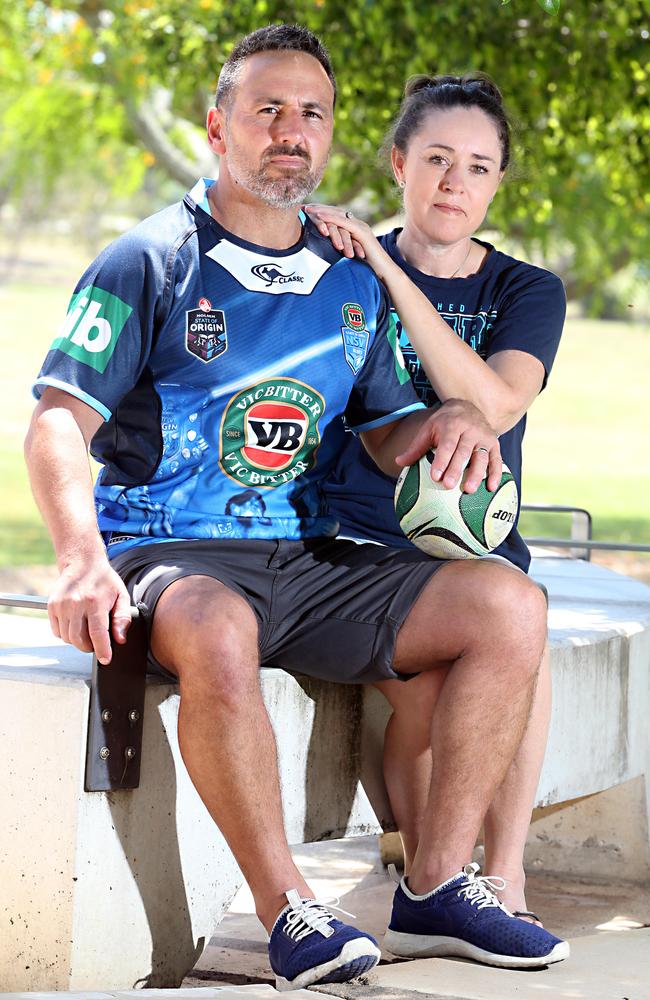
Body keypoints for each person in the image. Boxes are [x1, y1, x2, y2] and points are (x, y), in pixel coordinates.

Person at [24, 27, 567, 992]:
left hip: (308, 557)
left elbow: (390, 430)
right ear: (217, 125)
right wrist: (78, 556)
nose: (290, 130)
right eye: (266, 108)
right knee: (216, 627)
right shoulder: (150, 258)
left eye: (310, 113)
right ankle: (289, 915)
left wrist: (451, 424)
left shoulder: (349, 280)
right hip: (173, 550)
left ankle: (437, 885)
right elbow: (57, 423)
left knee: (508, 606)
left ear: (330, 137)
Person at [304, 73, 565, 925]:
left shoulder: (527, 291)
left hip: (474, 542)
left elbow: (493, 404)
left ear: (497, 183)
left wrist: (389, 266)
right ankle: (431, 867)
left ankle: (508, 877)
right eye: (438, 159)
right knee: (425, 689)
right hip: (363, 541)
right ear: (398, 162)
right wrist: (371, 262)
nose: (456, 182)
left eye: (480, 167)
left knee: (527, 638)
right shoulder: (335, 273)